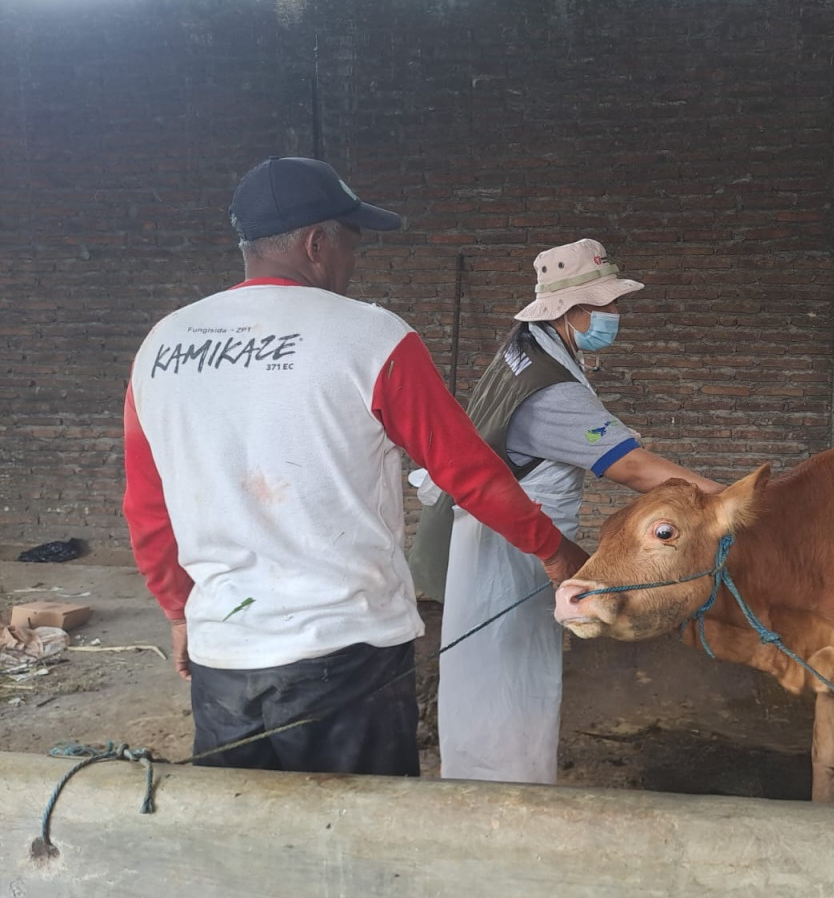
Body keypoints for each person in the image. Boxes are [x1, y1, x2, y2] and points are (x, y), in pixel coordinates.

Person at [122, 156, 589, 777]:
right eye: (352, 243)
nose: (353, 261)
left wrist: (179, 613)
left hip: (225, 659)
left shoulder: (163, 344)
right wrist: (557, 554)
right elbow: (468, 472)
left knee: (243, 838)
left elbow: (146, 507)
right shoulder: (370, 336)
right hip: (347, 651)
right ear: (317, 242)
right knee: (363, 848)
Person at [423, 238, 723, 784]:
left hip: (498, 524)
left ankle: (478, 776)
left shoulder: (525, 349)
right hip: (513, 540)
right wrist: (725, 500)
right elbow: (630, 468)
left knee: (490, 666)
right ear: (571, 310)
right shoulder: (550, 390)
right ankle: (504, 792)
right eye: (605, 305)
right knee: (511, 666)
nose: (614, 315)